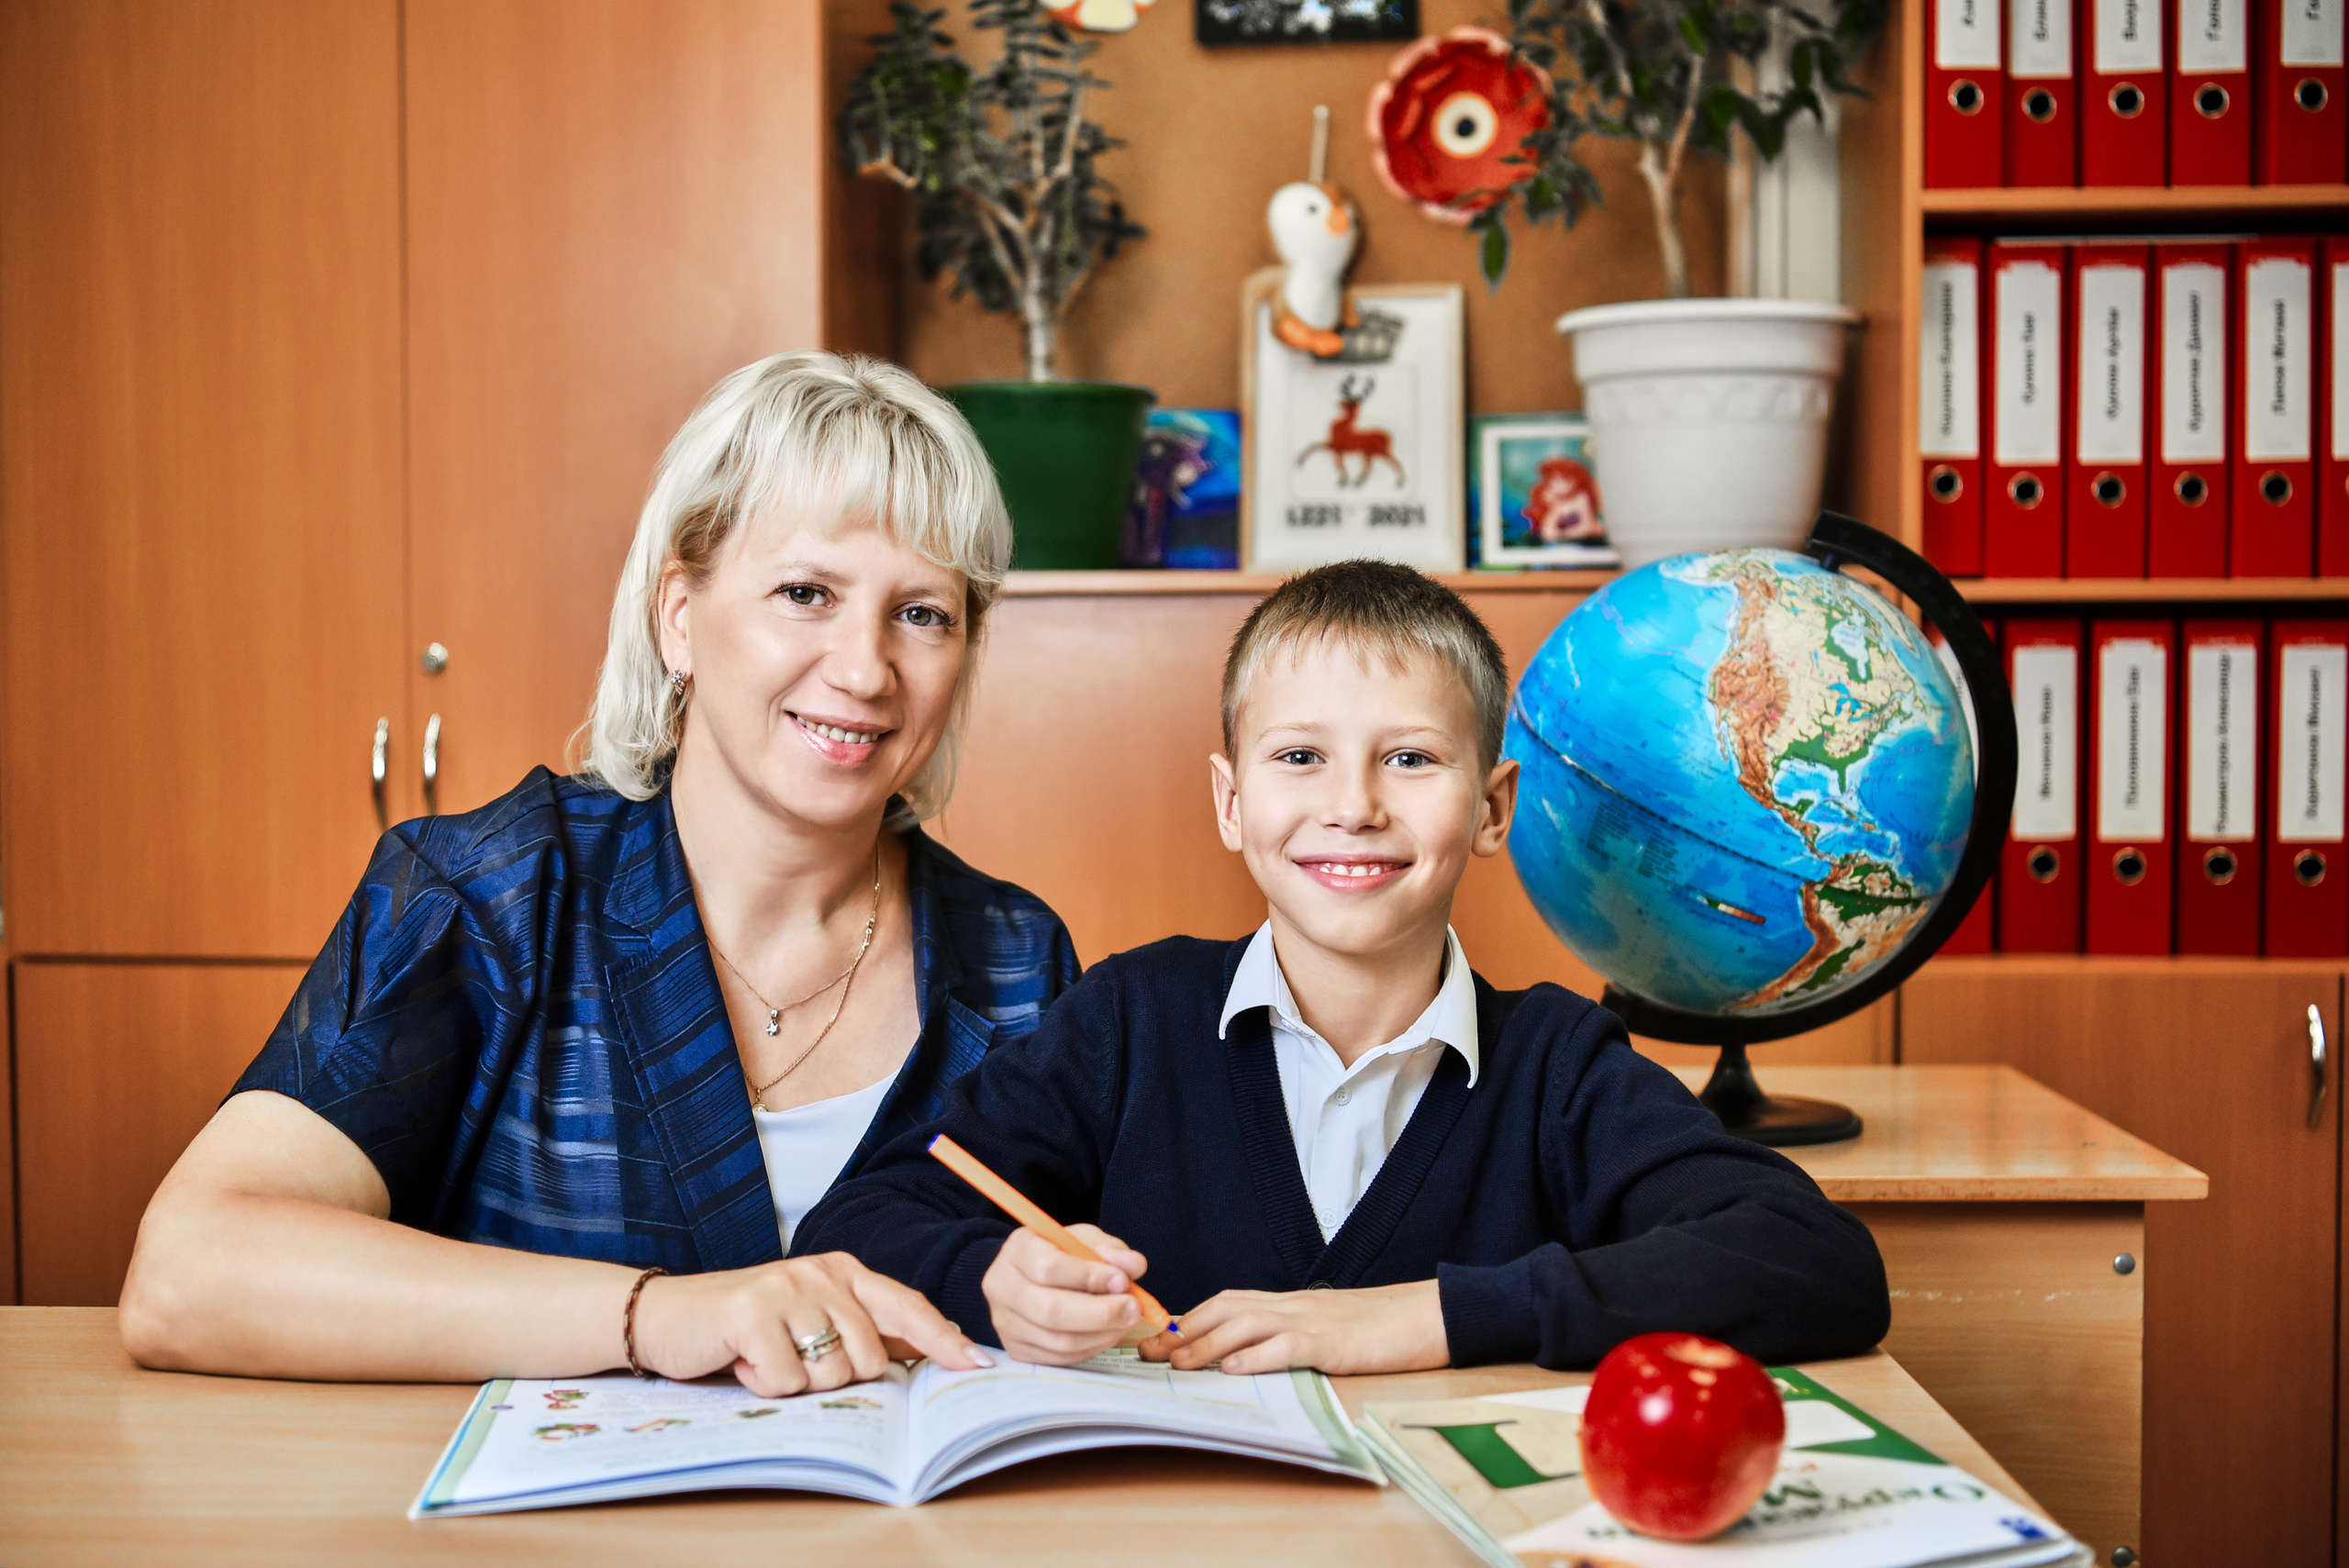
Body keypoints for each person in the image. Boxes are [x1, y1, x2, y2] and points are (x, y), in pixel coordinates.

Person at [118, 352, 1078, 1396]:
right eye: (805, 593)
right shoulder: (490, 892)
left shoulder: (1019, 960)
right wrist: (651, 1313)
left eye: (923, 614)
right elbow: (188, 1271)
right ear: (680, 615)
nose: (863, 668)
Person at [797, 561, 1890, 1375]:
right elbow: (856, 1221)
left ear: (1493, 808)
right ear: (1233, 801)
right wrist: (995, 1281)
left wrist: (1424, 1316)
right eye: (1299, 756)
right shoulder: (1130, 1021)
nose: (1354, 804)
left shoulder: (1556, 1065)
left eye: (1410, 758)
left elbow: (1817, 1262)